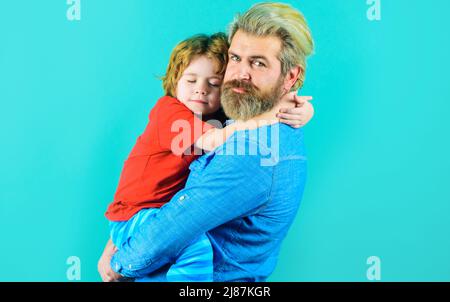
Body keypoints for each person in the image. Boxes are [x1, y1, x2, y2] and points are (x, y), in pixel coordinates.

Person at [99, 27, 314, 281]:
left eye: (213, 84)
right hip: (135, 214)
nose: (201, 90)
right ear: (174, 81)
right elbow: (214, 139)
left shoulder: (220, 120)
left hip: (148, 215)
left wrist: (305, 111)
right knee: (195, 247)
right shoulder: (170, 112)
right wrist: (271, 115)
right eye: (191, 81)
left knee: (193, 248)